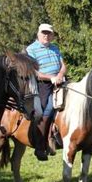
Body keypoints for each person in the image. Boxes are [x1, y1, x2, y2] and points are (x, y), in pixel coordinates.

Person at [26, 23, 67, 161]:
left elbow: (63, 66)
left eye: (49, 33)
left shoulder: (55, 48)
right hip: (42, 84)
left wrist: (60, 75)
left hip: (60, 81)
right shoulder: (31, 49)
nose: (46, 35)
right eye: (44, 32)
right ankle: (40, 146)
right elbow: (34, 72)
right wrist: (52, 78)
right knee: (48, 108)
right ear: (38, 34)